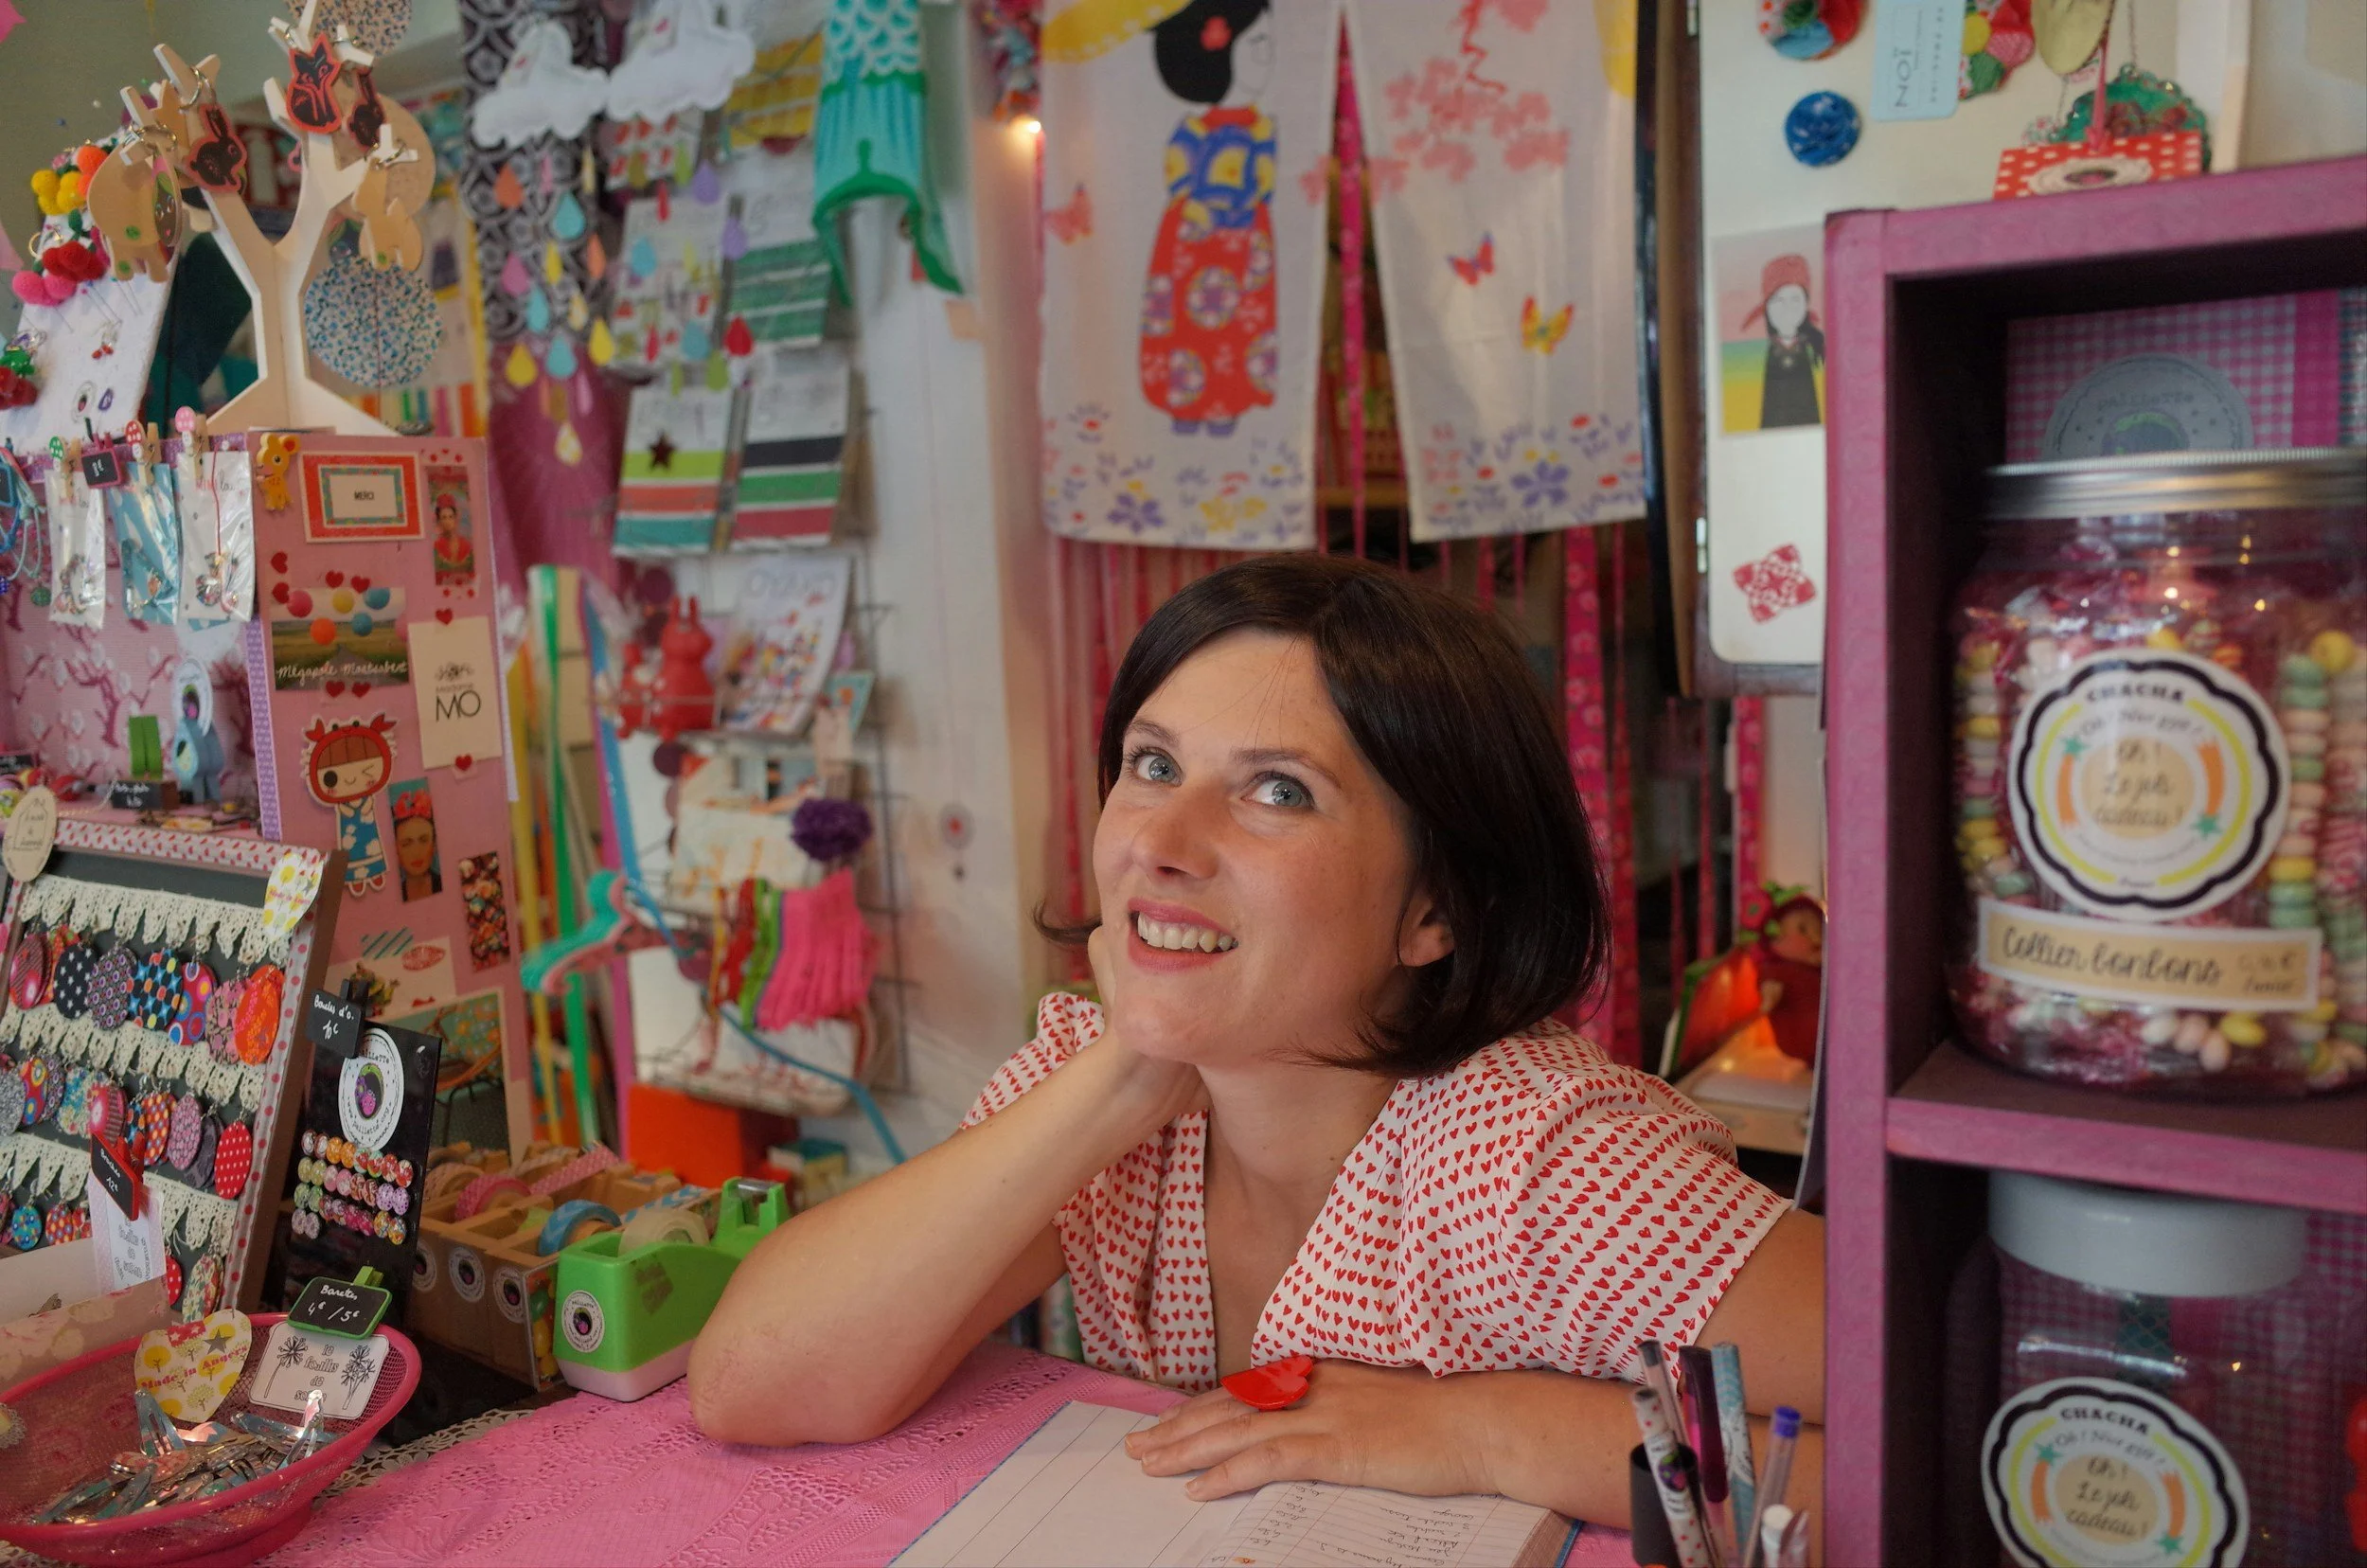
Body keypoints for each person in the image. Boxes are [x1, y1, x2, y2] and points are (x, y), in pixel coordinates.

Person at [691, 557, 1824, 1538]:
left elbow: (1964, 1459)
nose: (1161, 846)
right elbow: (755, 1385)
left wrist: (1494, 1431)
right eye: (1151, 766)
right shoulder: (1106, 1088)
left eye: (1277, 790)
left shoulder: (1536, 1164)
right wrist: (1129, 1067)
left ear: (1436, 910)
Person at [1137, 0, 1279, 436]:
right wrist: (1192, 202)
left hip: (1245, 236)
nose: (1268, 57)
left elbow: (1266, 181)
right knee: (1186, 321)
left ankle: (1228, 402)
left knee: (1240, 324)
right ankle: (1185, 404)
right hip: (1193, 234)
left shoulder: (1263, 130)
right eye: (1256, 44)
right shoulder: (1194, 129)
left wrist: (1252, 206)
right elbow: (1179, 170)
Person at [1746, 254, 1825, 430]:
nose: (1787, 309)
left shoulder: (1816, 349)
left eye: (1795, 299)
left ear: (1806, 304)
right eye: (1778, 300)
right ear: (1767, 307)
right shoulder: (1759, 355)